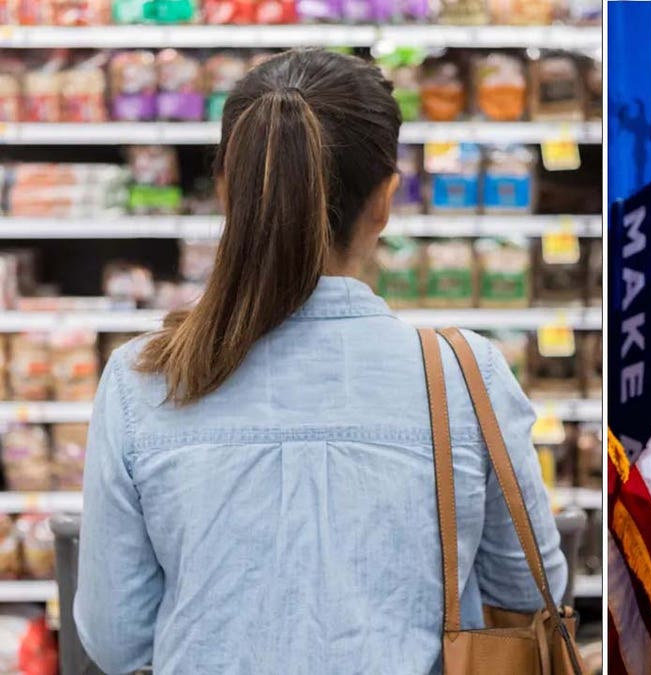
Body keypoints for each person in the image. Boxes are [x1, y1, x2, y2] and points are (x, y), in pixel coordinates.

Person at [75, 49, 567, 675]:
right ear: (385, 199)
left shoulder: (143, 380)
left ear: (228, 191)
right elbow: (529, 594)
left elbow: (116, 639)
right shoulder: (465, 373)